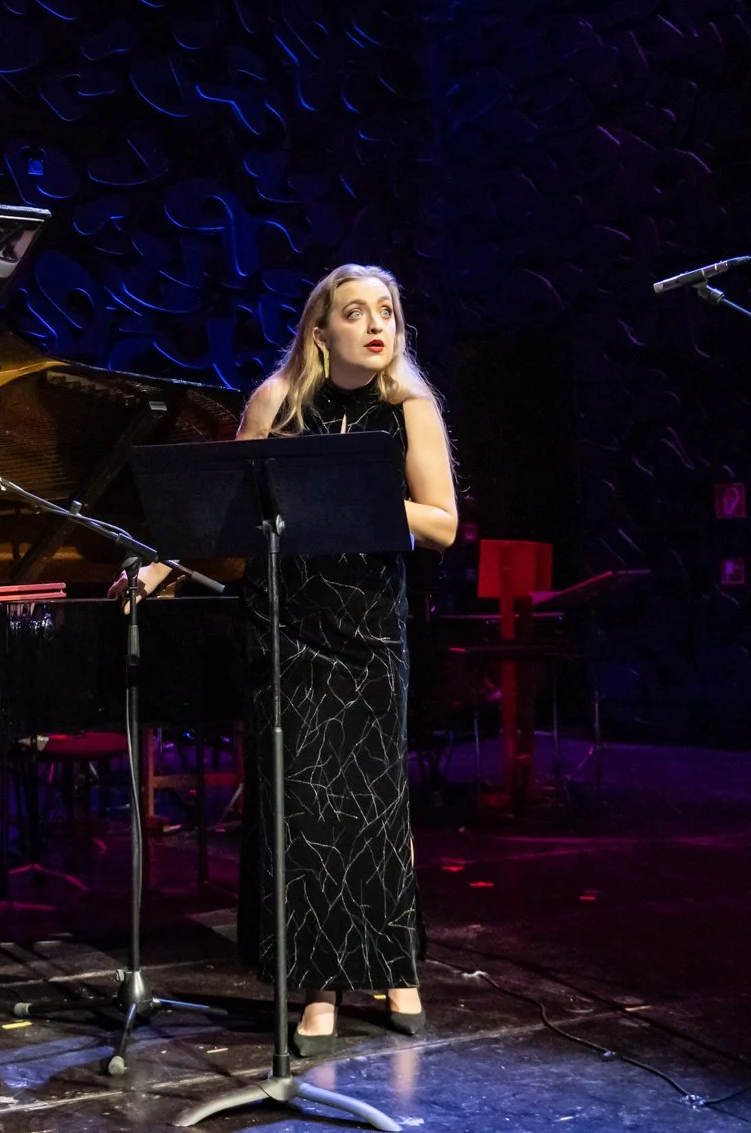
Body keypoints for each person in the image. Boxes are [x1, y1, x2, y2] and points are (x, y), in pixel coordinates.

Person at [141, 263, 455, 1055]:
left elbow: (443, 524)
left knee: (375, 803)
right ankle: (317, 982)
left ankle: (392, 964)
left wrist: (347, 489)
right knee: (304, 806)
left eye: (387, 309)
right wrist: (164, 565)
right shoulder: (275, 402)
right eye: (357, 312)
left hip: (370, 632)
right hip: (289, 626)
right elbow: (226, 516)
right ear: (322, 329)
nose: (377, 323)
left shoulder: (408, 410)